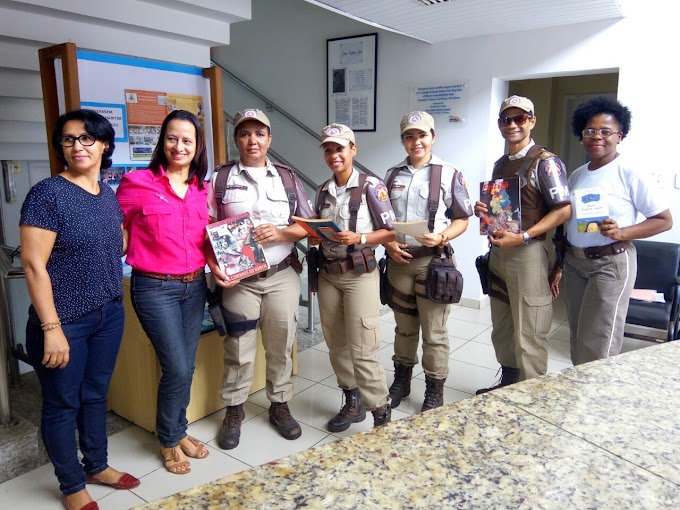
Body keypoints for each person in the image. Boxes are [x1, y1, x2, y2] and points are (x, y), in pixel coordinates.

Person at [20, 109, 139, 510]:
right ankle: (72, 485)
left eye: (87, 138)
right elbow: (34, 265)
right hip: (63, 320)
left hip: (107, 313)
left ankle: (97, 465)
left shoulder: (107, 193)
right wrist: (51, 327)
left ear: (105, 145)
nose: (77, 146)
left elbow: (115, 244)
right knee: (62, 404)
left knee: (94, 395)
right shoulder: (48, 193)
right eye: (69, 139)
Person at [208, 108, 315, 450]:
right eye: (244, 134)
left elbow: (309, 226)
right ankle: (234, 410)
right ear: (236, 138)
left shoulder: (286, 177)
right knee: (238, 348)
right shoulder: (220, 178)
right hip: (240, 279)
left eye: (259, 134)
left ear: (270, 139)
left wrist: (283, 233)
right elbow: (206, 228)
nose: (252, 140)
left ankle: (279, 405)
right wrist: (214, 266)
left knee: (281, 344)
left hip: (281, 275)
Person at [116, 110, 211, 475]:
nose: (179, 146)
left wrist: (222, 268)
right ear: (162, 141)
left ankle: (178, 429)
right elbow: (118, 232)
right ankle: (169, 440)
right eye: (172, 138)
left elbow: (207, 242)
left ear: (197, 145)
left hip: (194, 286)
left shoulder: (202, 189)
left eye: (187, 140)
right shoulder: (136, 183)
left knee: (184, 367)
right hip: (154, 288)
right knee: (177, 366)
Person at [550, 96, 671, 365]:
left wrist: (622, 232)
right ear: (581, 135)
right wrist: (559, 264)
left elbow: (663, 220)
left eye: (606, 131)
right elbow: (570, 220)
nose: (597, 137)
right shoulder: (578, 174)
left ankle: (594, 400)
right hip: (576, 262)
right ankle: (579, 393)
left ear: (620, 136)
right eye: (590, 131)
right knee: (578, 334)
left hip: (610, 263)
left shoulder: (631, 172)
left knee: (599, 340)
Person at [474, 95, 571, 394]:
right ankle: (509, 385)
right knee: (502, 326)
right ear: (500, 124)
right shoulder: (500, 164)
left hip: (528, 253)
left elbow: (563, 209)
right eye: (507, 119)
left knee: (530, 329)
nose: (513, 125)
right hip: (499, 253)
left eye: (520, 119)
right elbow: (503, 207)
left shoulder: (546, 162)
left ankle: (532, 398)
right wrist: (485, 212)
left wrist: (526, 235)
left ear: (532, 121)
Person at [383, 111, 473, 412]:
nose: (416, 141)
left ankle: (434, 389)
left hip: (433, 263)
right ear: (403, 141)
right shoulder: (392, 175)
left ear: (432, 137)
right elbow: (383, 221)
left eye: (422, 135)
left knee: (434, 331)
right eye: (409, 136)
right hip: (399, 262)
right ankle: (401, 381)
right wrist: (389, 243)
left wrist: (444, 236)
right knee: (404, 328)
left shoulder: (448, 173)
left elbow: (463, 218)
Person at [314, 123, 395, 432]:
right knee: (336, 343)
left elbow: (390, 231)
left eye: (340, 148)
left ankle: (381, 413)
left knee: (363, 347)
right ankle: (353, 401)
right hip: (328, 274)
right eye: (328, 149)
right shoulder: (323, 190)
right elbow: (320, 227)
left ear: (353, 150)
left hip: (359, 273)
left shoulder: (371, 187)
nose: (334, 154)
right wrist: (313, 235)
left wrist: (360, 237)